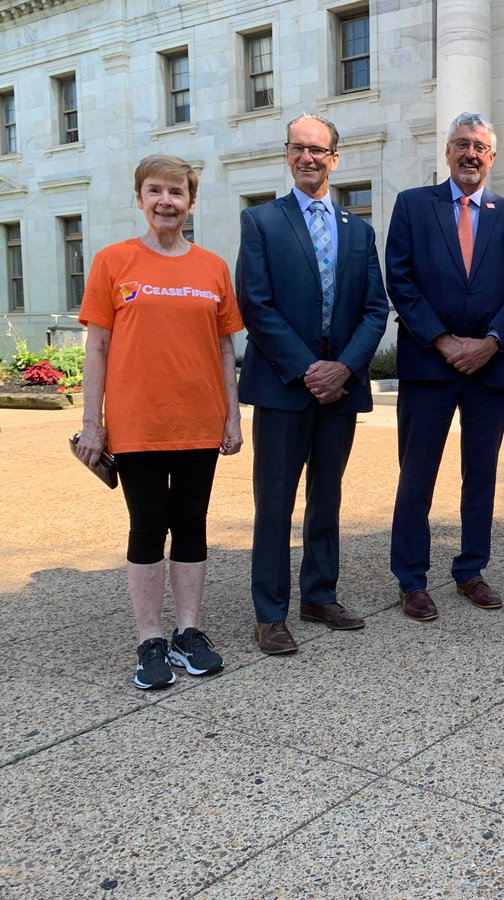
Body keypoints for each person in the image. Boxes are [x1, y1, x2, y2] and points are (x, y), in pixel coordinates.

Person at [77, 154, 242, 689]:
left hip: (198, 420)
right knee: (148, 525)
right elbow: (97, 346)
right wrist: (93, 423)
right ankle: (149, 638)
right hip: (138, 423)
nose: (166, 201)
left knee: (192, 524)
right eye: (155, 191)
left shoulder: (212, 267)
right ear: (140, 199)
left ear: (191, 203)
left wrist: (232, 417)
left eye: (176, 192)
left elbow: (224, 349)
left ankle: (187, 632)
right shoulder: (112, 262)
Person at [235, 113, 389, 655]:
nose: (308, 158)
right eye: (298, 149)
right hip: (284, 386)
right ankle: (270, 613)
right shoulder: (261, 222)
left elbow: (375, 308)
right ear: (287, 155)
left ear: (334, 159)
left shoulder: (359, 230)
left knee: (328, 496)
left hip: (340, 390)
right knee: (275, 501)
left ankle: (320, 594)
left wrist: (343, 368)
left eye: (318, 150)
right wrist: (307, 369)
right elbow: (255, 304)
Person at [386, 112, 504, 621]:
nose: (471, 154)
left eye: (481, 147)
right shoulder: (411, 206)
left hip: (488, 369)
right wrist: (446, 342)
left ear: (492, 157)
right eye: (462, 144)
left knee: (481, 473)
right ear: (447, 151)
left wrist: (491, 342)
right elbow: (400, 282)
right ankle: (411, 578)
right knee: (417, 474)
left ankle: (470, 569)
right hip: (430, 365)